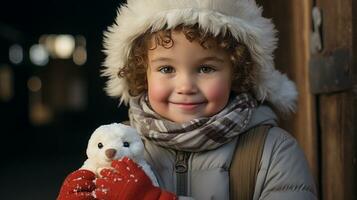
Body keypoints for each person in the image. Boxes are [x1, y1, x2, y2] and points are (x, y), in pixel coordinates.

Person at [57, 0, 317, 199]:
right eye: (166, 69)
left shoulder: (273, 152)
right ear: (142, 73)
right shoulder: (117, 147)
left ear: (237, 72)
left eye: (205, 69)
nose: (185, 86)